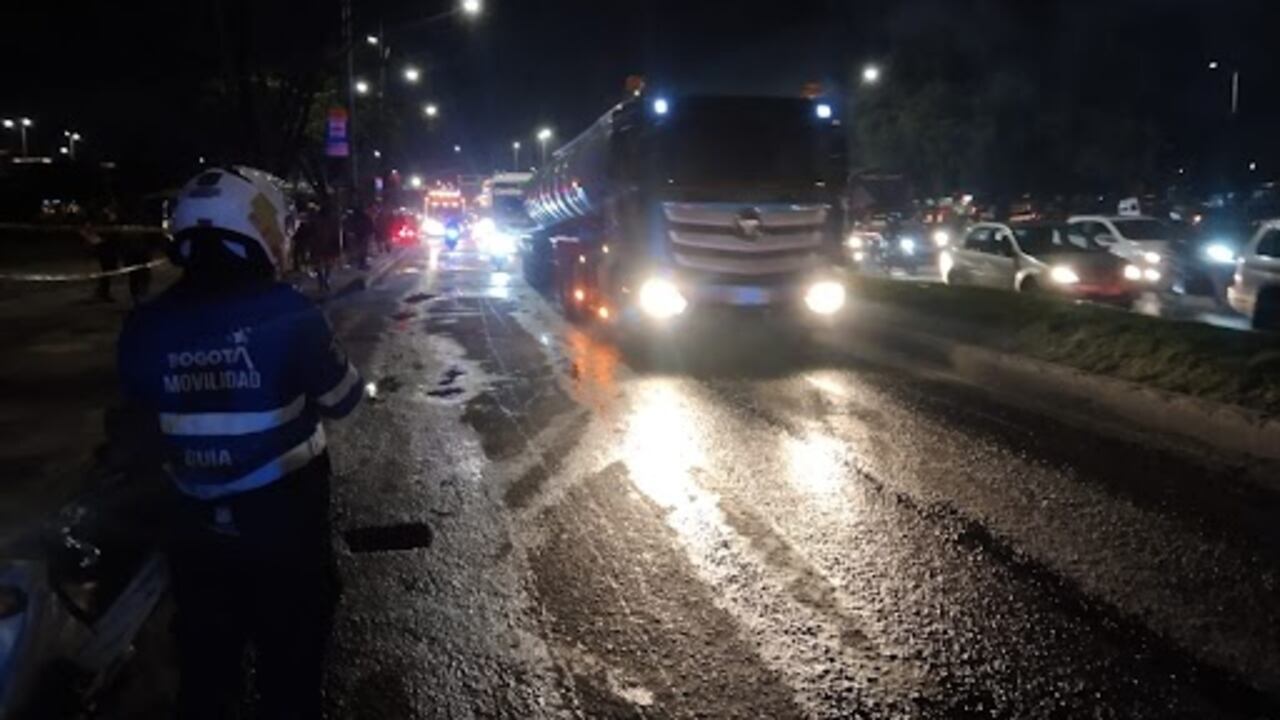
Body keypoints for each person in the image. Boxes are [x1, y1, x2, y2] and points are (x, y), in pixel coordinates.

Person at [116, 166, 362, 719]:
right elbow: (345, 399)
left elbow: (134, 424)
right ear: (262, 231)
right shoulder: (291, 314)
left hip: (193, 530)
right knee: (291, 677)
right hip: (284, 526)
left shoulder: (145, 325)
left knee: (206, 674)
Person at [81, 219, 118, 302]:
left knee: (110, 269)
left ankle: (103, 290)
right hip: (103, 246)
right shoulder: (98, 218)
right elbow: (87, 231)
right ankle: (103, 291)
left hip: (109, 245)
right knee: (106, 269)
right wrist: (96, 241)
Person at [311, 202, 341, 294]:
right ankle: (325, 280)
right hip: (328, 246)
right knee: (328, 264)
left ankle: (322, 281)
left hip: (318, 245)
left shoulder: (315, 220)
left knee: (318, 264)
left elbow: (311, 233)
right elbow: (337, 235)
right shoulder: (333, 221)